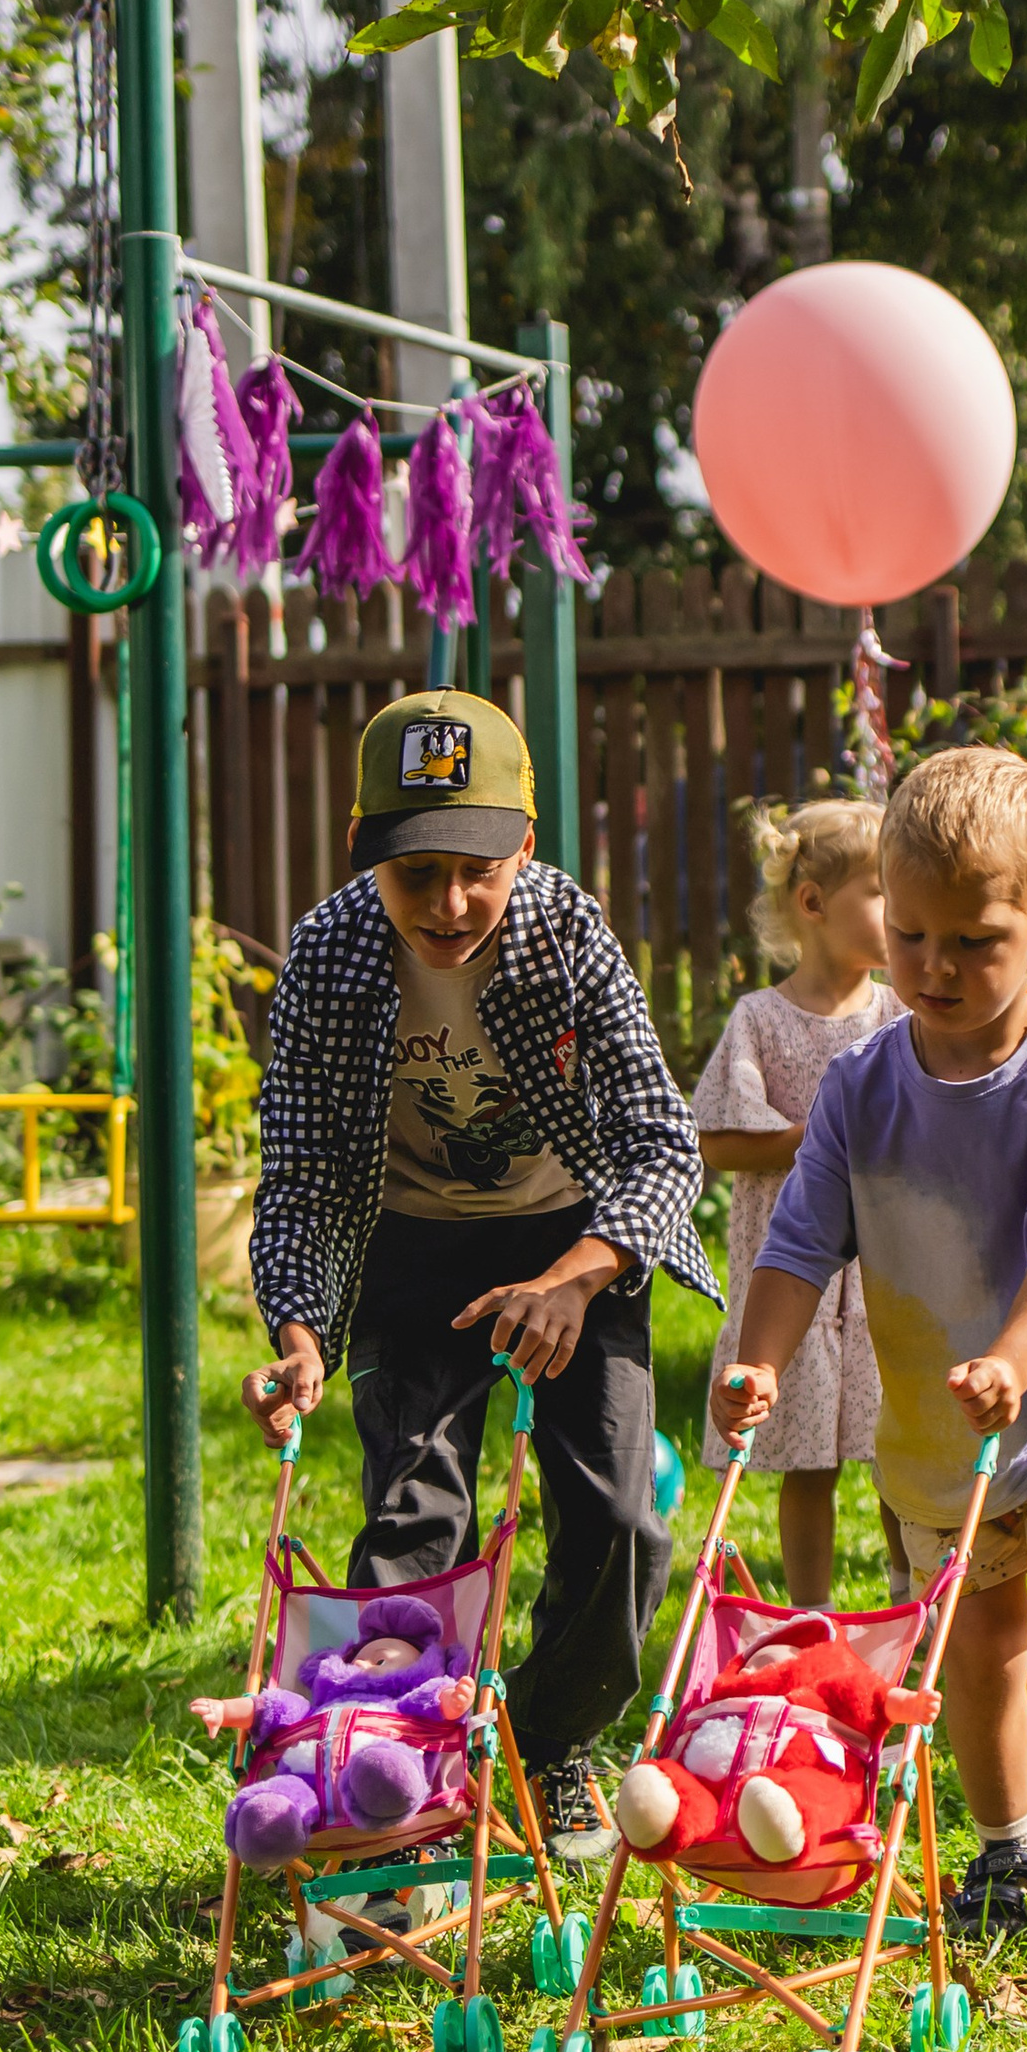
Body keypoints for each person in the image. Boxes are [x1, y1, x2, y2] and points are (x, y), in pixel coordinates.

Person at [243, 688, 719, 1859]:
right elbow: (301, 1170)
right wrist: (300, 1335)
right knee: (414, 1521)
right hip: (412, 1245)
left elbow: (664, 1140)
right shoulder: (328, 949)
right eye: (417, 876)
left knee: (616, 1519)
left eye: (477, 869)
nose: (450, 904)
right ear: (368, 855)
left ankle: (548, 1742)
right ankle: (392, 1774)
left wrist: (575, 1276)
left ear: (526, 846)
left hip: (571, 1241)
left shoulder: (566, 931)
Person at [710, 745, 1027, 1945]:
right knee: (976, 1643)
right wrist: (756, 1357)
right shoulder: (862, 1085)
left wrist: (1012, 1357)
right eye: (909, 937)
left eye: (974, 941)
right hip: (927, 1430)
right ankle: (1005, 1845)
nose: (935, 967)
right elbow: (800, 1241)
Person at [693, 798, 905, 1606]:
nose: (902, 914)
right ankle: (811, 1614)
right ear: (813, 903)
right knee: (808, 1455)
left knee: (898, 1441)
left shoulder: (903, 1018)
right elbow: (716, 1138)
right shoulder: (761, 1020)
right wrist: (811, 1139)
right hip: (799, 1277)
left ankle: (904, 1594)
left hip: (886, 1267)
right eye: (883, 892)